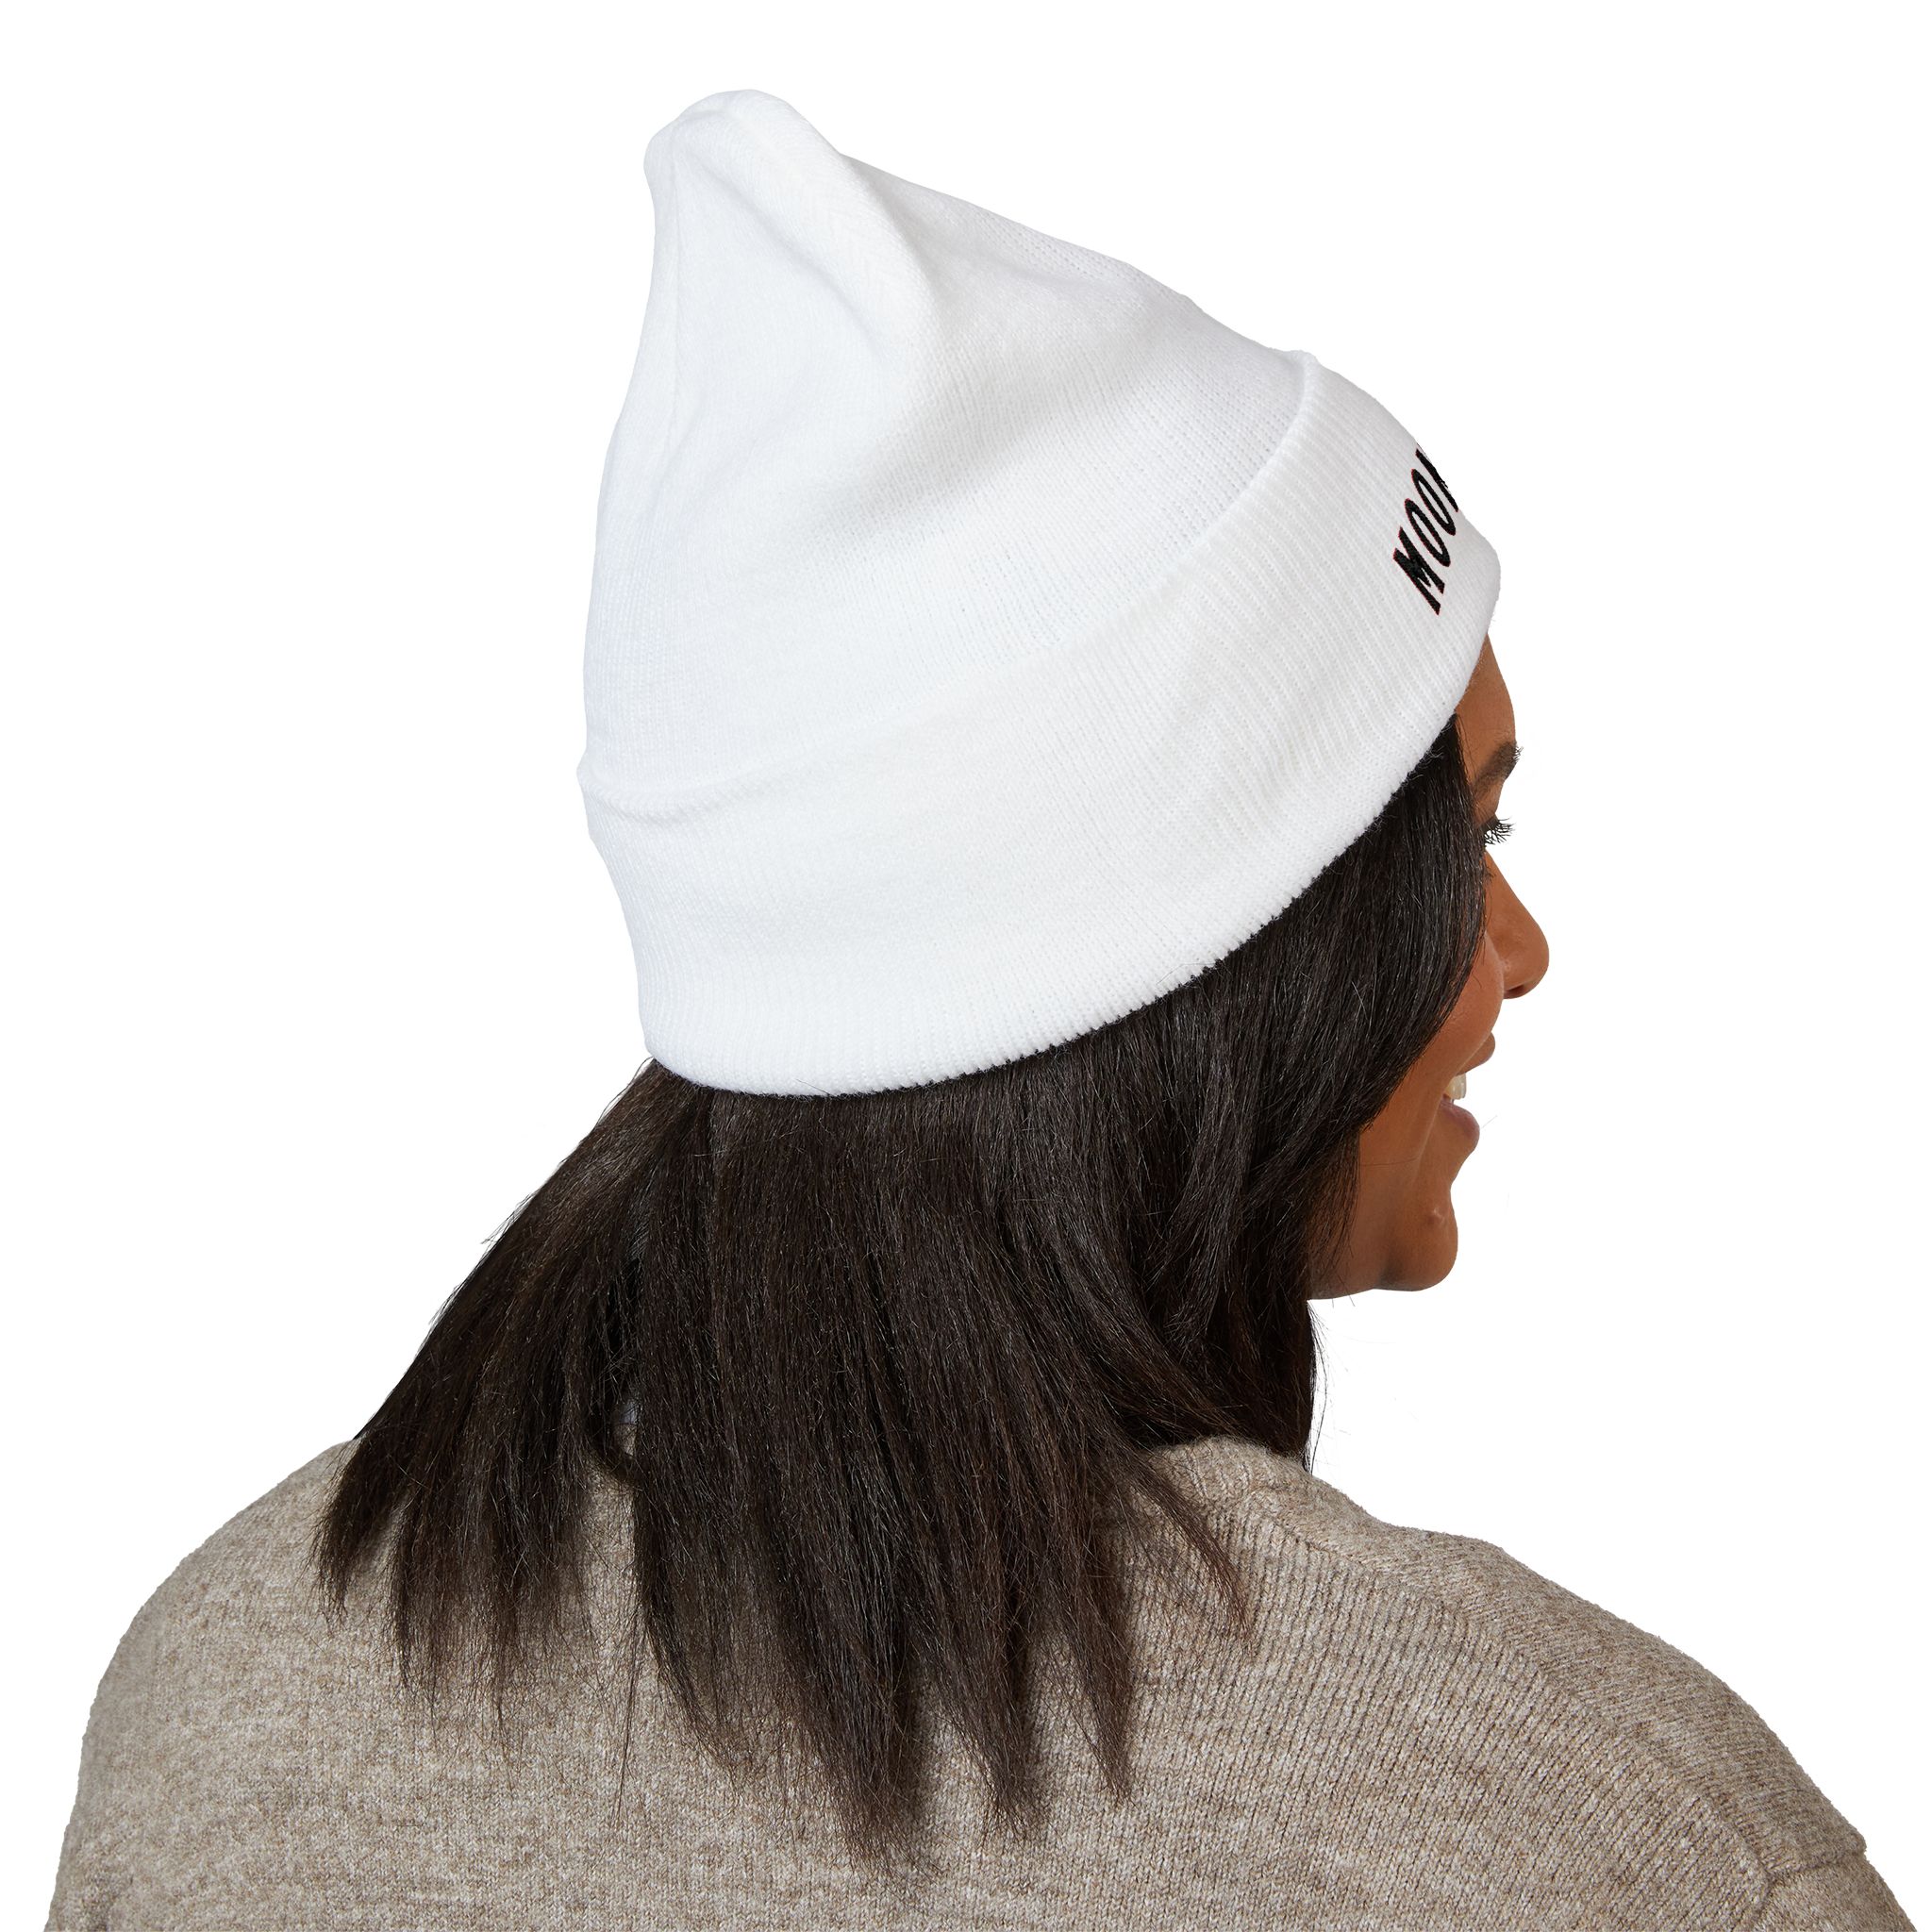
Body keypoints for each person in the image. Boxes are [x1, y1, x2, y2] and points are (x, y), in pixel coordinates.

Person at [44, 88, 1912, 1931]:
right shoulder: (1581, 1830)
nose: (1518, 947)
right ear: (1225, 951)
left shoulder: (223, 1707)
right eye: (1464, 841)